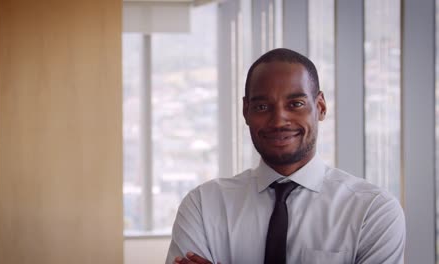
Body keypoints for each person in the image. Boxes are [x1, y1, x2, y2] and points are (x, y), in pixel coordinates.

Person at [166, 48, 405, 264]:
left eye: (296, 104)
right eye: (262, 107)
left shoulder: (372, 210)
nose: (279, 120)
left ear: (320, 106)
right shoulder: (203, 205)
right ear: (245, 111)